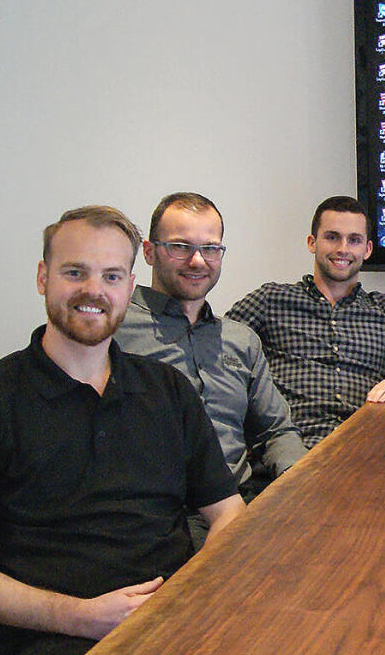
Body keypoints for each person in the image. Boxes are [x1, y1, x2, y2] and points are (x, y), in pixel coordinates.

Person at [0, 205, 245, 655]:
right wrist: (78, 616)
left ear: (129, 286)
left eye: (111, 276)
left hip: (177, 621)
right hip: (54, 642)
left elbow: (227, 513)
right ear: (43, 277)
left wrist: (192, 596)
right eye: (75, 272)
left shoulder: (167, 391)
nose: (94, 290)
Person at [227, 195, 385, 446]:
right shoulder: (271, 300)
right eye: (332, 237)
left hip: (364, 446)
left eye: (354, 240)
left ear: (367, 249)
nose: (343, 249)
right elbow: (214, 341)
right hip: (291, 447)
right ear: (312, 243)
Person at [117, 192, 306, 506]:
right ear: (149, 252)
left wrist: (302, 483)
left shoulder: (241, 340)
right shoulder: (114, 329)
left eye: (210, 248)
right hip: (149, 512)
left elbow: (276, 430)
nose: (197, 261)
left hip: (239, 506)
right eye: (180, 246)